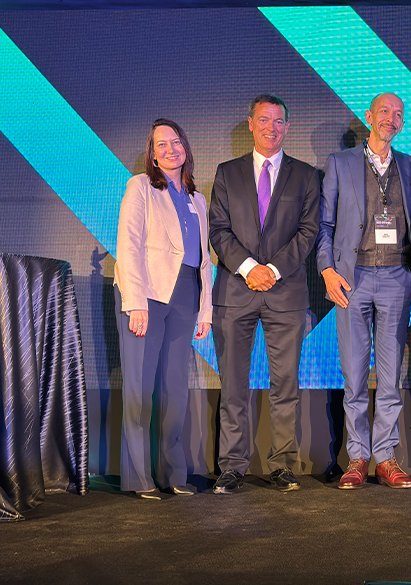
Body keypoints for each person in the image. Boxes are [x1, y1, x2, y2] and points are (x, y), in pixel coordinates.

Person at [316, 92, 411, 489]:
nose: (390, 119)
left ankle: (386, 456)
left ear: (402, 123)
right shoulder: (340, 163)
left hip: (396, 277)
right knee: (354, 372)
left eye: (398, 114)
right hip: (353, 278)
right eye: (384, 111)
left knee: (390, 372)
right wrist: (327, 270)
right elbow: (325, 225)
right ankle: (357, 456)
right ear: (368, 116)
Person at [208, 95, 320, 494]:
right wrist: (248, 268)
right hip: (235, 291)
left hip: (285, 293)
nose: (271, 127)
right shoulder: (227, 172)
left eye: (278, 121)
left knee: (285, 385)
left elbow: (308, 231)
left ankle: (283, 465)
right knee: (233, 385)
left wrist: (270, 270)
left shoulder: (306, 175)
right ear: (250, 123)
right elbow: (218, 229)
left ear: (287, 127)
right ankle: (232, 466)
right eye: (264, 120)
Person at [113, 119, 213, 500]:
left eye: (175, 142)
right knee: (139, 389)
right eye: (161, 145)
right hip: (148, 296)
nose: (170, 149)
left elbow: (204, 261)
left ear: (185, 147)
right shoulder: (140, 187)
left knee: (175, 390)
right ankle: (139, 477)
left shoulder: (196, 199)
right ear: (152, 155)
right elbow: (129, 245)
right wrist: (135, 303)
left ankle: (173, 474)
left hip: (186, 295)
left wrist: (205, 310)